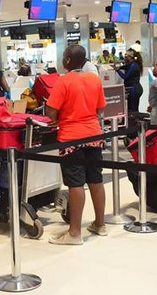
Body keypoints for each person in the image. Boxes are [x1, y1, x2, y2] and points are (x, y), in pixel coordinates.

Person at [45, 44, 106, 245]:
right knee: (96, 179)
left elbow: (51, 112)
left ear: (68, 60)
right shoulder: (94, 80)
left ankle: (74, 233)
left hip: (71, 137)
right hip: (94, 134)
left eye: (64, 56)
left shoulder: (63, 82)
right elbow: (99, 108)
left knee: (75, 183)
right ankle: (100, 223)